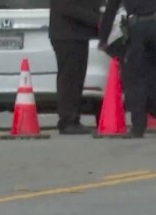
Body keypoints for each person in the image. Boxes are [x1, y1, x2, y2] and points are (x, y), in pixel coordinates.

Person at [100, 0, 156, 138]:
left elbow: (111, 9)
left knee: (135, 78)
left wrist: (103, 38)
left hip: (136, 28)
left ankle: (138, 127)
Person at [49, 0, 102, 134]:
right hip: (67, 34)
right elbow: (65, 6)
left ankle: (73, 117)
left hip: (78, 34)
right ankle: (67, 120)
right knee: (69, 78)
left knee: (77, 77)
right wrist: (95, 18)